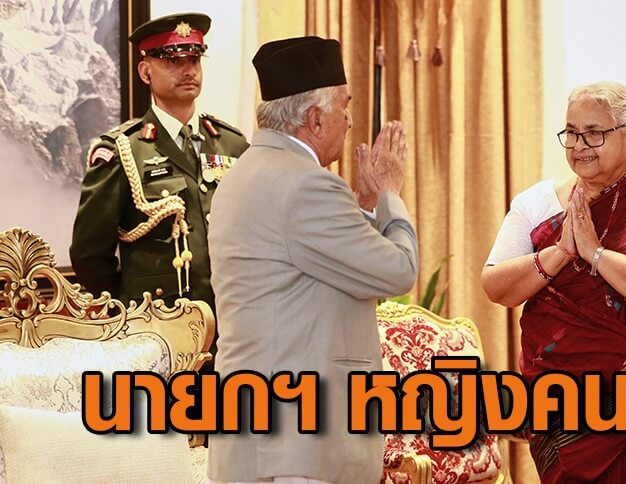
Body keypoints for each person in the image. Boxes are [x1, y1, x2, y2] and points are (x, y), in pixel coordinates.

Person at [206, 37, 419, 484]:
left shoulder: (242, 174)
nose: (350, 120)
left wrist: (362, 205)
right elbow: (399, 271)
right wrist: (389, 195)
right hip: (297, 448)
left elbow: (318, 262)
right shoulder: (306, 184)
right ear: (315, 119)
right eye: (345, 106)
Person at [482, 81, 626, 483]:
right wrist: (561, 252)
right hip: (562, 409)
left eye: (594, 133)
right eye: (571, 133)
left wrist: (597, 255)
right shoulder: (538, 203)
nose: (580, 145)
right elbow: (496, 286)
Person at [70, 13, 249, 325]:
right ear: (145, 71)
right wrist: (127, 310)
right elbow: (89, 255)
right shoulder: (123, 151)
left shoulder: (231, 144)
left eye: (194, 60)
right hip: (158, 326)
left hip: (233, 321)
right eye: (173, 61)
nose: (188, 70)